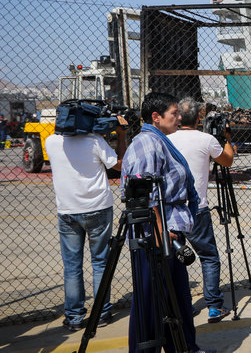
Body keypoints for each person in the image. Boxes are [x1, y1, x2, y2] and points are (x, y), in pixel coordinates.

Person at [121, 92, 214, 353]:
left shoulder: (160, 141)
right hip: (156, 235)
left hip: (168, 231)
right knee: (152, 301)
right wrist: (162, 234)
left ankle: (184, 347)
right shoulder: (147, 145)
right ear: (156, 117)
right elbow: (145, 195)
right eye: (173, 113)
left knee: (178, 300)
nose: (178, 117)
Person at [45, 114, 127, 331]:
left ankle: (73, 316)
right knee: (99, 262)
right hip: (97, 208)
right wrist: (121, 134)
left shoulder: (51, 142)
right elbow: (119, 165)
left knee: (72, 266)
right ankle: (101, 312)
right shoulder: (95, 141)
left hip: (68, 210)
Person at [170, 98, 234, 324]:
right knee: (208, 257)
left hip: (172, 209)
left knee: (176, 258)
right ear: (199, 117)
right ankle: (214, 306)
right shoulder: (206, 139)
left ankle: (182, 304)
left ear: (178, 117)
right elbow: (227, 161)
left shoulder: (166, 140)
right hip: (197, 208)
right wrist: (226, 138)